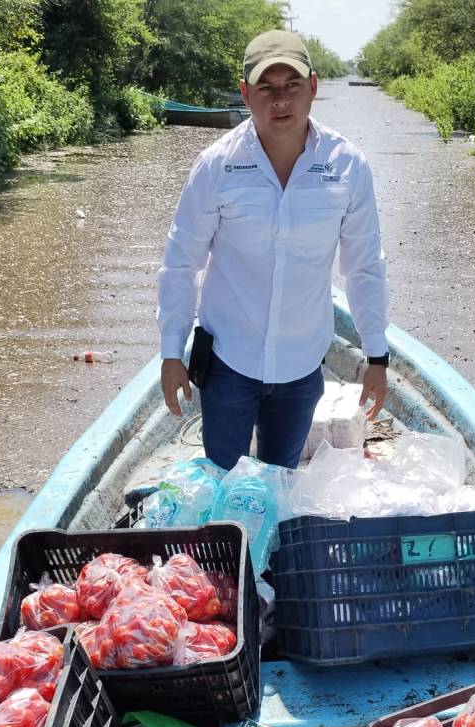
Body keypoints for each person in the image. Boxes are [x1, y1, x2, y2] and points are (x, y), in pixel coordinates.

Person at [156, 29, 390, 471]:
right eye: (266, 88)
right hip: (228, 360)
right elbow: (181, 262)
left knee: (278, 483)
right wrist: (171, 353)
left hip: (302, 365)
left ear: (314, 88)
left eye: (292, 87)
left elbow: (364, 267)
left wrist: (376, 356)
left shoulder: (347, 166)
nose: (280, 101)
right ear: (245, 94)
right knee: (222, 484)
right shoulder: (217, 166)